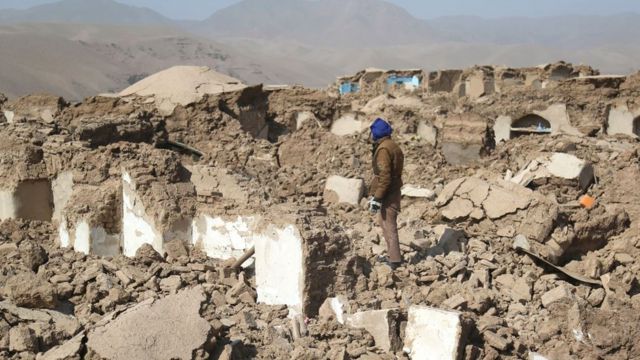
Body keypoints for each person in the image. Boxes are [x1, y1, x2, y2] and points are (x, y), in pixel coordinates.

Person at [368, 118, 404, 270]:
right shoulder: (392, 145)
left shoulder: (383, 150)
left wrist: (377, 197)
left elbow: (385, 177)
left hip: (389, 192)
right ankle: (393, 256)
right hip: (393, 189)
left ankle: (395, 260)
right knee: (386, 222)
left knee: (388, 224)